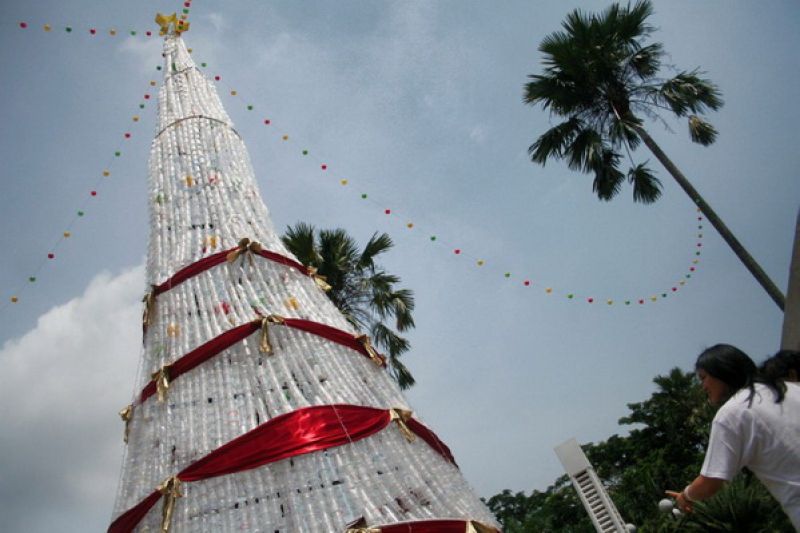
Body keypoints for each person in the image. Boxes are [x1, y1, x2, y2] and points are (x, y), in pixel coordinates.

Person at [666, 344, 800, 529]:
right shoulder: (791, 389)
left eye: (703, 378)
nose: (702, 386)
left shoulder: (732, 412)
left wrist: (685, 495)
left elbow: (710, 483)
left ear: (723, 372)